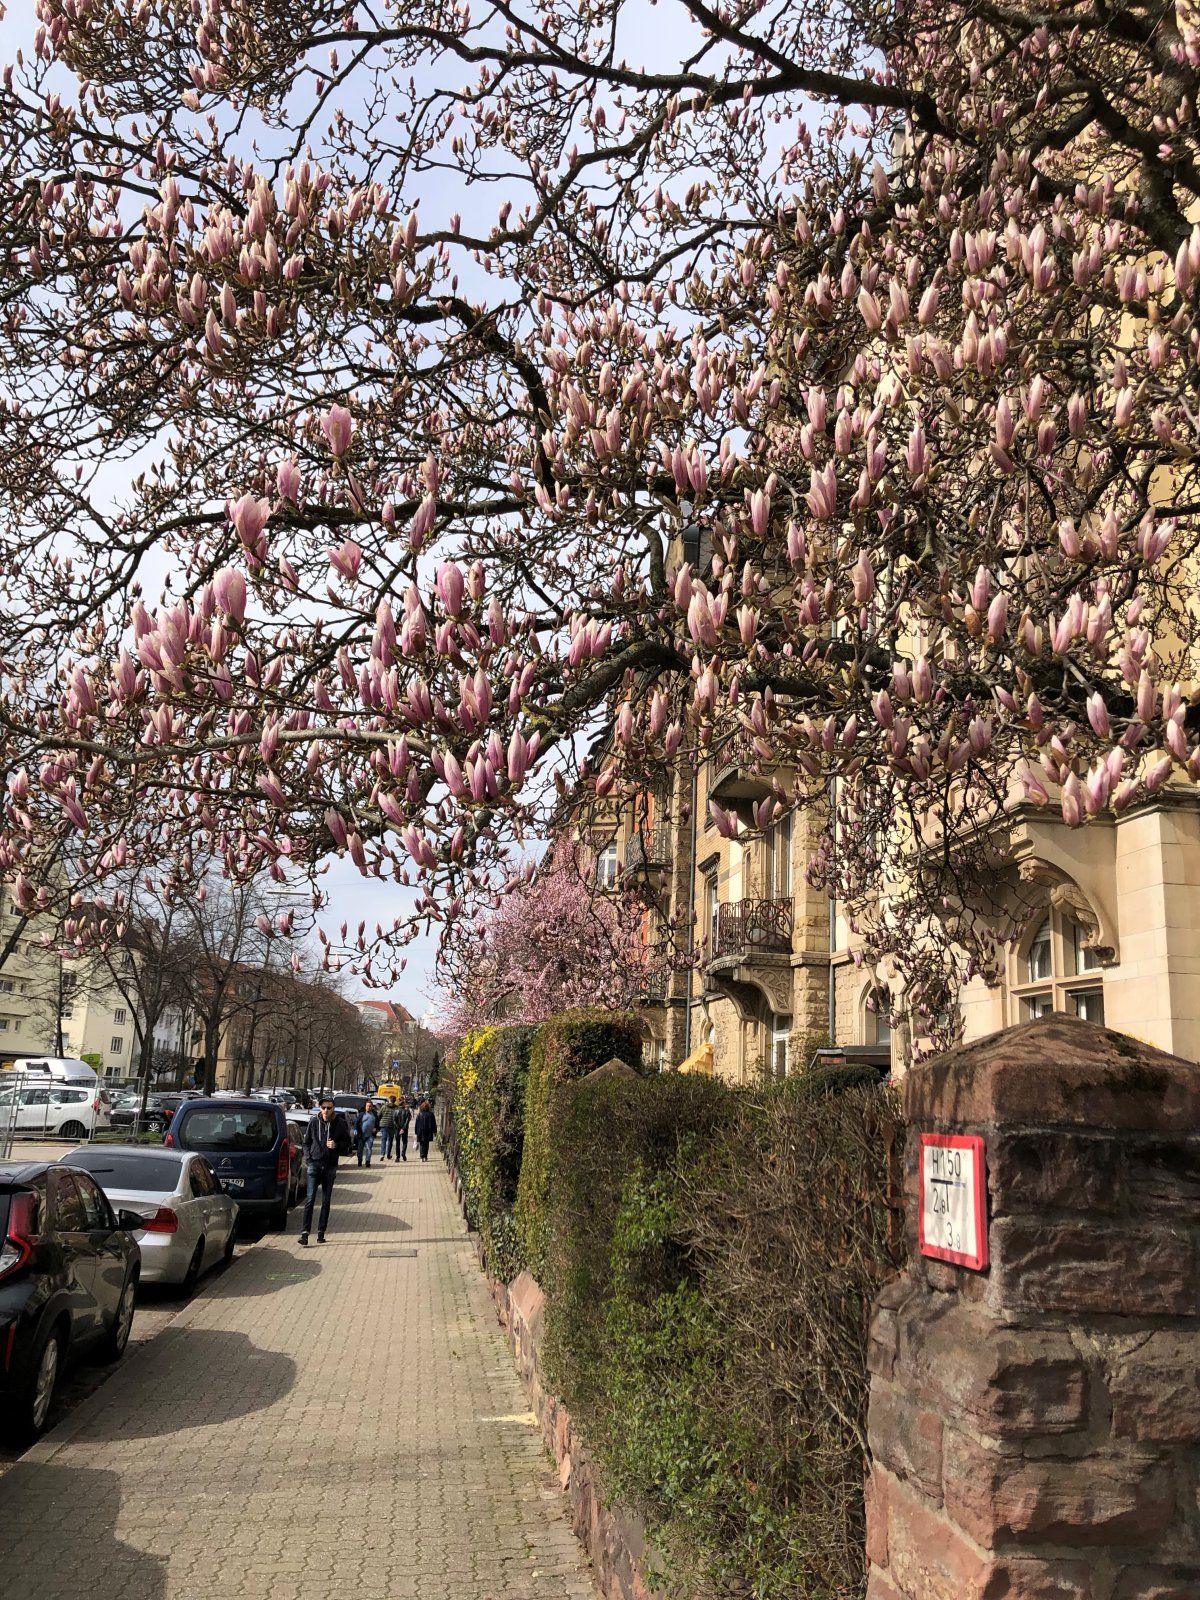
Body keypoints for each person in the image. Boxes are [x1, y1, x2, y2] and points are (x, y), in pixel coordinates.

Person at [299, 1095, 352, 1245]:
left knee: (326, 1201)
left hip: (330, 1166)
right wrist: (309, 1159)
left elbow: (347, 1143)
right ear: (320, 1108)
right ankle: (305, 1233)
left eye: (329, 1108)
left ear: (333, 1108)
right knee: (310, 1199)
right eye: (323, 1108)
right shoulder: (314, 1122)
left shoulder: (340, 1123)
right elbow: (306, 1143)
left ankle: (321, 1232)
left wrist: (336, 1145)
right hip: (314, 1164)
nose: (326, 1110)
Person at [355, 1099, 379, 1167]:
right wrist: (355, 1129)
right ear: (365, 1107)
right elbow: (356, 1123)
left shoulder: (374, 1115)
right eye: (367, 1106)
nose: (369, 1107)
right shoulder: (362, 1114)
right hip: (361, 1135)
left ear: (372, 1107)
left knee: (369, 1149)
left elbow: (378, 1124)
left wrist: (376, 1129)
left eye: (370, 1106)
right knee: (360, 1150)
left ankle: (367, 1162)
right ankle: (360, 1161)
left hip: (370, 1135)